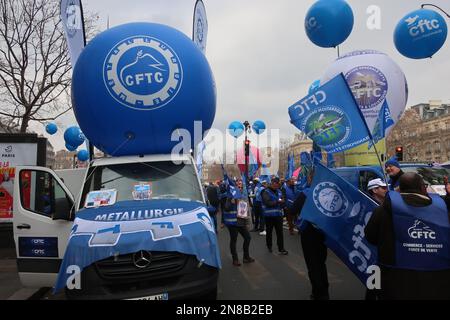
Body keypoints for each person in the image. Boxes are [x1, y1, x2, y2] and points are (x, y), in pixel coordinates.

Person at [365, 173, 450, 300]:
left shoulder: (382, 210)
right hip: (438, 280)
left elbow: (370, 237)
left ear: (400, 188)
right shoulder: (443, 211)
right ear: (423, 188)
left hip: (395, 280)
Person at [295, 169, 330, 300]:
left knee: (313, 265)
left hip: (308, 234)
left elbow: (293, 209)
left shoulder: (305, 193)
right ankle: (325, 291)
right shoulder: (327, 192)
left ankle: (318, 293)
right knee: (321, 263)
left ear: (310, 179)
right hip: (323, 233)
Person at [223, 179, 255, 266]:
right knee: (234, 240)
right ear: (235, 188)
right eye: (238, 187)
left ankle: (246, 257)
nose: (240, 188)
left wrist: (247, 222)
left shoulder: (242, 197)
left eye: (241, 187)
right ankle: (235, 259)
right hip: (232, 223)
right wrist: (231, 202)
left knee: (248, 238)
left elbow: (244, 211)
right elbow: (226, 208)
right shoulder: (230, 196)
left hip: (241, 222)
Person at [261, 176, 288, 255]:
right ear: (271, 183)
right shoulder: (265, 191)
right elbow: (268, 203)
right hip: (269, 216)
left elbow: (283, 202)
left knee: (280, 233)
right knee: (269, 232)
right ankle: (269, 246)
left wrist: (283, 203)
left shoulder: (279, 191)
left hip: (278, 216)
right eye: (274, 183)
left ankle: (281, 248)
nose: (276, 185)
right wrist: (278, 201)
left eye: (277, 183)